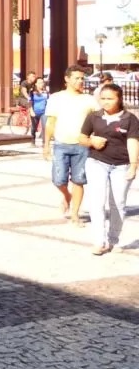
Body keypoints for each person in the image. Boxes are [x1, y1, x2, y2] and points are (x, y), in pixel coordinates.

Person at [79, 83, 138, 255]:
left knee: (118, 203)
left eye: (110, 99)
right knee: (97, 202)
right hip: (97, 162)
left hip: (122, 165)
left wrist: (134, 165)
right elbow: (82, 137)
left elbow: (133, 141)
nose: (106, 102)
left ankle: (114, 239)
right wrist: (92, 142)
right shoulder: (93, 117)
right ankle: (99, 241)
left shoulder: (130, 119)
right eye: (103, 99)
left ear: (119, 99)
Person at [43, 65, 100, 226]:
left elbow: (98, 121)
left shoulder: (89, 99)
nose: (80, 81)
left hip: (82, 145)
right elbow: (50, 123)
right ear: (67, 79)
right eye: (77, 78)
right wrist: (46, 145)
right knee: (58, 179)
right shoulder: (56, 98)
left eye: (82, 78)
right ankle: (67, 195)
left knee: (79, 180)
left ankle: (75, 214)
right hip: (61, 143)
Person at [29, 78, 49, 144]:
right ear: (36, 84)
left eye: (42, 82)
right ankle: (32, 140)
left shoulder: (46, 92)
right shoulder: (32, 92)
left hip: (44, 112)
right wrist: (31, 110)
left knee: (45, 127)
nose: (41, 84)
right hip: (35, 112)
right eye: (40, 83)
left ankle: (44, 143)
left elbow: (48, 101)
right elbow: (30, 102)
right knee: (34, 127)